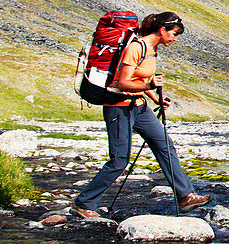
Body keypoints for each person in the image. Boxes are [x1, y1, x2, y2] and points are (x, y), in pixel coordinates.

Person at [74, 12, 209, 217]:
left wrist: (156, 99)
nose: (175, 38)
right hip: (119, 106)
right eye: (174, 34)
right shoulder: (137, 47)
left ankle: (185, 197)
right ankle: (84, 203)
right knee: (119, 160)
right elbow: (123, 82)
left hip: (139, 106)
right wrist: (150, 84)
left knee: (164, 144)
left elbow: (139, 77)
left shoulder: (153, 48)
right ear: (162, 30)